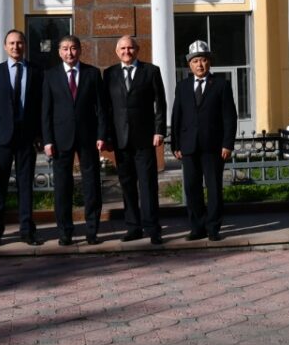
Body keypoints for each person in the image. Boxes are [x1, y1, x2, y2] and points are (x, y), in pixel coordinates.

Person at [41, 34, 108, 245]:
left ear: (80, 50)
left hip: (88, 137)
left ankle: (91, 230)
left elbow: (101, 108)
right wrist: (48, 140)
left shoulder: (92, 73)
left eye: (73, 48)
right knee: (62, 187)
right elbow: (46, 111)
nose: (69, 53)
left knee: (92, 184)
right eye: (65, 49)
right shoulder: (50, 75)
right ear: (59, 52)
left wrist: (101, 134)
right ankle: (65, 232)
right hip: (60, 139)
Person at [102, 35, 167, 244]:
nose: (126, 52)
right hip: (121, 140)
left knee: (148, 185)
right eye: (123, 48)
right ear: (116, 51)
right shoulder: (109, 74)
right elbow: (106, 108)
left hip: (145, 138)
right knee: (127, 185)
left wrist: (159, 130)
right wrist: (107, 136)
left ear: (137, 50)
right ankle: (133, 227)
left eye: (130, 48)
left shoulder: (151, 71)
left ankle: (152, 228)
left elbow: (160, 102)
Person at [170, 40, 237, 241]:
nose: (200, 65)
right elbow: (176, 117)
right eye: (196, 61)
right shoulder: (182, 87)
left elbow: (229, 116)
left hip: (214, 147)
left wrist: (228, 144)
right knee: (192, 188)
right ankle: (197, 227)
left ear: (210, 62)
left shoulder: (222, 85)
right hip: (189, 146)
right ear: (189, 64)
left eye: (204, 60)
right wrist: (175, 144)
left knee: (214, 187)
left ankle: (213, 227)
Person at [0, 29, 44, 247]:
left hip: (27, 138)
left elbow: (40, 107)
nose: (16, 47)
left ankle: (27, 230)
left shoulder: (36, 71)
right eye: (11, 43)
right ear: (5, 46)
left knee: (25, 185)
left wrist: (40, 134)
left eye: (19, 43)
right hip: (1, 139)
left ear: (25, 45)